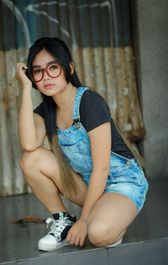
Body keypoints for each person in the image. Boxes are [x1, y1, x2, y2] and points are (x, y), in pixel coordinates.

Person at [15, 37, 148, 252]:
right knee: (31, 158)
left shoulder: (89, 102)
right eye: (37, 71)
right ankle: (64, 221)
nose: (46, 76)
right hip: (88, 186)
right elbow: (29, 144)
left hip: (122, 182)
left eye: (53, 68)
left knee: (98, 234)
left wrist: (85, 221)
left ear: (69, 68)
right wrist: (25, 90)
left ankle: (108, 220)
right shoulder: (45, 111)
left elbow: (102, 168)